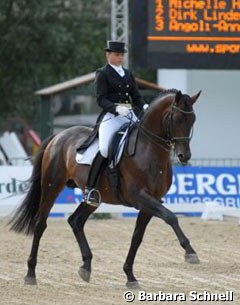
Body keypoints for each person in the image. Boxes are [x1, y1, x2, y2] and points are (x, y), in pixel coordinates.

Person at [84, 40, 149, 206]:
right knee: (105, 149)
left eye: (122, 55)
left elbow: (136, 96)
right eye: (117, 54)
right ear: (108, 55)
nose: (120, 57)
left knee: (146, 140)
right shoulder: (102, 73)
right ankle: (90, 188)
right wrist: (115, 108)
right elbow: (100, 99)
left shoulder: (127, 73)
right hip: (112, 116)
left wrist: (144, 106)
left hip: (129, 114)